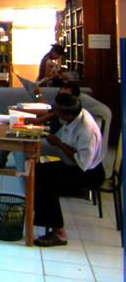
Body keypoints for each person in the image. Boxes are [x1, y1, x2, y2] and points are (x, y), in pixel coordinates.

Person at [33, 92, 105, 246]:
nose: (54, 112)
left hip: (89, 172)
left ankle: (59, 233)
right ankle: (41, 218)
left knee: (48, 182)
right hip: (75, 164)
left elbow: (82, 163)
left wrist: (59, 144)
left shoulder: (86, 131)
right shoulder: (75, 115)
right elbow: (59, 125)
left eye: (57, 110)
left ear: (68, 115)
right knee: (37, 171)